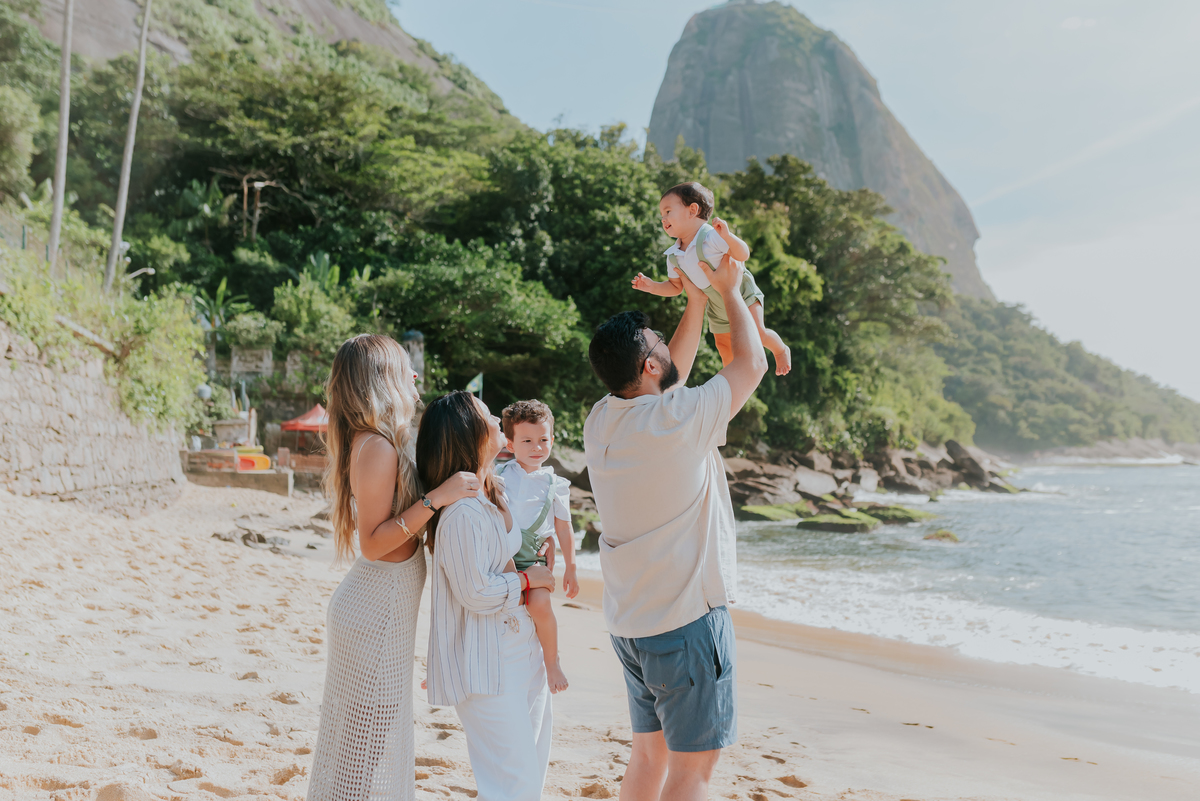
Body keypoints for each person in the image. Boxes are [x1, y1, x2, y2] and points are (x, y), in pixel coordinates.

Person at [585, 258, 768, 800]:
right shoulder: (678, 418)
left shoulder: (603, 419)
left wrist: (693, 300)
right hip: (685, 623)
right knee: (693, 774)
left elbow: (673, 376)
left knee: (648, 758)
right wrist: (730, 292)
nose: (668, 348)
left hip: (632, 625)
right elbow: (751, 364)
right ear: (647, 365)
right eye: (659, 343)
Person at [307, 335, 480, 801]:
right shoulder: (378, 448)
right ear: (382, 379)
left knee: (364, 747)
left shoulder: (382, 442)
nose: (415, 376)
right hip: (375, 613)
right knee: (361, 752)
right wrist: (436, 498)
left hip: (382, 612)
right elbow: (373, 544)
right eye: (406, 368)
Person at [418, 391, 557, 801]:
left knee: (527, 776)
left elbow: (506, 558)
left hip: (521, 647)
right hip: (487, 664)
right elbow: (476, 592)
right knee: (514, 786)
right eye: (486, 414)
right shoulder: (462, 511)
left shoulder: (491, 490)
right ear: (469, 432)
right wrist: (530, 581)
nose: (496, 416)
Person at [631, 181, 791, 376]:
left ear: (692, 210)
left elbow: (742, 255)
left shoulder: (710, 237)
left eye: (668, 211)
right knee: (723, 346)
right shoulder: (674, 255)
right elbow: (675, 287)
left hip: (741, 292)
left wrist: (729, 236)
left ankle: (781, 349)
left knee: (757, 333)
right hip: (716, 305)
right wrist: (652, 286)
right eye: (661, 215)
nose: (663, 219)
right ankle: (732, 380)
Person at [497, 399, 579, 694]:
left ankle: (552, 660)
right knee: (506, 606)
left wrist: (571, 566)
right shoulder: (499, 475)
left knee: (539, 604)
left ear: (552, 440)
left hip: (534, 557)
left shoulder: (555, 484)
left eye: (543, 440)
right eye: (527, 440)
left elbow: (563, 526)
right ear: (510, 443)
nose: (537, 447)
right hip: (502, 557)